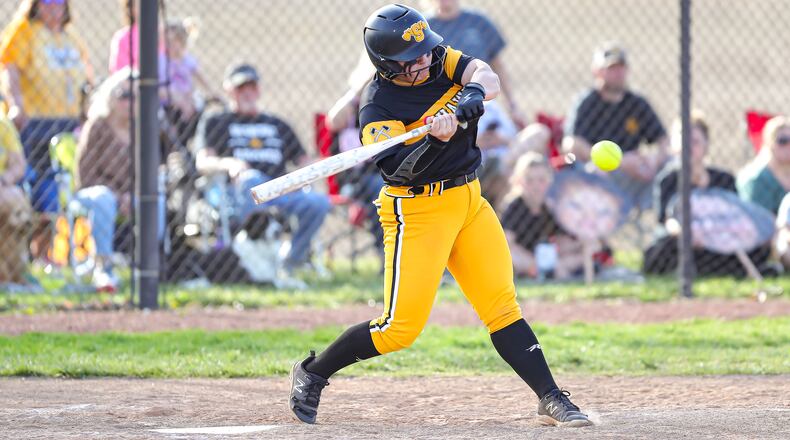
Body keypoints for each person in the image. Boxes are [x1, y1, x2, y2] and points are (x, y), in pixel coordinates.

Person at [287, 4, 591, 428]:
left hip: (468, 199)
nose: (424, 61)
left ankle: (551, 397)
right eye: (411, 60)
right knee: (399, 330)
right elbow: (396, 170)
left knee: (501, 306)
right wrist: (433, 140)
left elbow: (487, 75)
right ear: (387, 65)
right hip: (417, 211)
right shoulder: (377, 106)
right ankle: (314, 372)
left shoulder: (437, 58)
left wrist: (471, 96)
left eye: (426, 52)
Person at [194, 62, 331, 275]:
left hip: (281, 190)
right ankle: (255, 264)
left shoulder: (278, 124)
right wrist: (229, 163)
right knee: (251, 179)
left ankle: (289, 263)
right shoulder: (216, 121)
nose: (247, 93)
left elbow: (304, 163)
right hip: (237, 194)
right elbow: (202, 162)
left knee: (319, 202)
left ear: (258, 90)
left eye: (252, 87)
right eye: (241, 88)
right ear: (229, 91)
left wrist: (302, 178)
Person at [0, 0, 93, 262]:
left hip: (66, 125)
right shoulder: (24, 31)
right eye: (48, 1)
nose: (55, 7)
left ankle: (49, 255)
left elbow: (85, 78)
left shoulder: (70, 37)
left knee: (60, 189)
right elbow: (9, 68)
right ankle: (30, 255)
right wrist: (16, 103)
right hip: (34, 124)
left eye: (61, 2)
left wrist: (86, 113)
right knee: (36, 188)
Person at [643, 112, 771, 276]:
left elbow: (736, 216)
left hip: (720, 239)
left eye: (695, 142)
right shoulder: (668, 179)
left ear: (706, 145)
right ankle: (714, 270)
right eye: (683, 140)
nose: (688, 146)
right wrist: (690, 233)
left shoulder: (724, 178)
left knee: (758, 246)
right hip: (689, 241)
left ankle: (734, 269)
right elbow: (666, 222)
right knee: (664, 246)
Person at [562, 42, 668, 210]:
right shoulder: (587, 103)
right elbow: (571, 145)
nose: (618, 73)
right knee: (593, 171)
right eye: (611, 69)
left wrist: (654, 160)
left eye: (621, 68)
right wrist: (620, 162)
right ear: (597, 72)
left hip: (636, 176)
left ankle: (668, 224)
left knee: (673, 165)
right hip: (602, 175)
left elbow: (663, 141)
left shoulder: (637, 103)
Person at [74, 68, 136, 291]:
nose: (130, 102)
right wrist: (119, 196)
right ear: (111, 96)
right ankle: (104, 270)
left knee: (154, 200)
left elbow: (149, 170)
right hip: (95, 192)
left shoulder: (142, 129)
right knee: (104, 198)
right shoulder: (98, 125)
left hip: (130, 195)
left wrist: (133, 194)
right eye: (124, 96)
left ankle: (150, 268)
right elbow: (85, 173)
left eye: (136, 96)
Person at [424, 0, 526, 129]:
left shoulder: (478, 21)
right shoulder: (424, 27)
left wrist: (512, 105)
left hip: (480, 101)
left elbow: (497, 65)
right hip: (443, 107)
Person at [500, 152, 588, 280]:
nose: (536, 186)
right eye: (529, 180)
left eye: (541, 180)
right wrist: (535, 263)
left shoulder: (553, 205)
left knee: (584, 251)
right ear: (519, 181)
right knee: (510, 253)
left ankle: (552, 270)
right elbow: (507, 242)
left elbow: (566, 240)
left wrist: (579, 244)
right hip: (524, 259)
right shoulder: (515, 205)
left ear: (550, 181)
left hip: (548, 255)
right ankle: (542, 271)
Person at [0, 114, 32, 284]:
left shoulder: (2, 124)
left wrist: (3, 180)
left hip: (2, 187)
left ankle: (14, 273)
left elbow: (19, 165)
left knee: (16, 197)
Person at [737, 115, 790, 215]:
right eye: (783, 141)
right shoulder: (756, 179)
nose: (788, 145)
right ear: (769, 142)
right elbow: (759, 221)